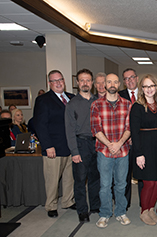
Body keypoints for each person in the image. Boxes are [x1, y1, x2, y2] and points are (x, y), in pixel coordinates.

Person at [91, 73, 131, 228]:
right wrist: (110, 144)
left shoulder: (127, 104)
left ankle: (121, 212)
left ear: (119, 84)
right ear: (105, 85)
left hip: (123, 151)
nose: (112, 84)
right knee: (105, 186)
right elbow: (96, 129)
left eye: (115, 81)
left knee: (121, 185)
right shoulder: (96, 105)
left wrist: (119, 143)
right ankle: (105, 214)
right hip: (104, 152)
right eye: (109, 82)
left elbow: (129, 128)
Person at [34, 70, 76, 218]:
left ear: (64, 81)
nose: (58, 83)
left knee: (69, 177)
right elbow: (40, 125)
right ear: (49, 83)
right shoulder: (43, 100)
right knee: (52, 179)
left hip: (71, 146)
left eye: (60, 80)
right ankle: (51, 205)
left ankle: (68, 201)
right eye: (54, 81)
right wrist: (47, 145)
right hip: (53, 147)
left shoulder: (71, 97)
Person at [65, 68, 100, 223]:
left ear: (92, 83)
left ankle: (95, 206)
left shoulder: (98, 101)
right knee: (80, 180)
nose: (85, 83)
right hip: (80, 144)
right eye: (82, 80)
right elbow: (69, 130)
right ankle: (82, 210)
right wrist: (74, 152)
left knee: (95, 178)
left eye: (88, 80)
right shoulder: (72, 104)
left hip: (97, 144)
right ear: (77, 83)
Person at [131, 74, 157, 226]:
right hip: (144, 148)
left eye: (152, 86)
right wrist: (139, 154)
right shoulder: (137, 107)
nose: (149, 89)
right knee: (149, 183)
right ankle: (144, 211)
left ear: (156, 87)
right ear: (142, 89)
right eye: (146, 86)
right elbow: (134, 132)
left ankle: (151, 209)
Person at [118, 68, 139, 210]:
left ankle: (146, 204)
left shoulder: (146, 94)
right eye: (126, 78)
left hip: (142, 142)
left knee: (143, 174)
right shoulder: (119, 96)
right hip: (124, 142)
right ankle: (125, 203)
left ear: (137, 78)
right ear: (124, 82)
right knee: (124, 175)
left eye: (132, 77)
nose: (129, 80)